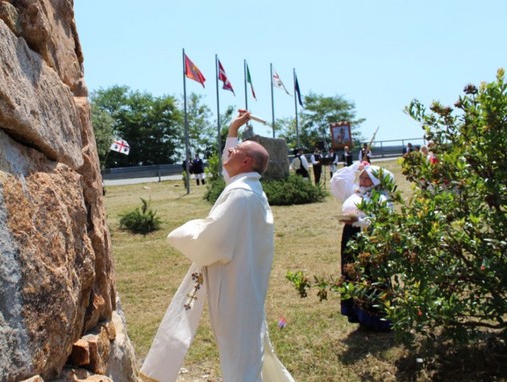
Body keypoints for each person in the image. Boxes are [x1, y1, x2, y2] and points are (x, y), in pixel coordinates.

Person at [140, 110, 295, 382]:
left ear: (246, 161)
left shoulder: (241, 196)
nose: (229, 153)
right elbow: (229, 165)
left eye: (236, 151)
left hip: (236, 288)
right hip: (244, 283)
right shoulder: (247, 187)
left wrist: (184, 231)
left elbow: (209, 242)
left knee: (239, 356)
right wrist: (233, 129)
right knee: (245, 346)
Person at [331, 161, 394, 331]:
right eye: (362, 178)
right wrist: (355, 167)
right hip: (350, 235)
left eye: (368, 179)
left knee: (370, 273)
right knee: (351, 271)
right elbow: (337, 180)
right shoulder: (354, 192)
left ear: (377, 181)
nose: (363, 181)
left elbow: (383, 219)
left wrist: (360, 221)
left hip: (370, 237)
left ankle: (377, 318)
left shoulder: (382, 197)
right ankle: (357, 313)